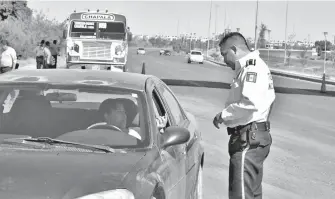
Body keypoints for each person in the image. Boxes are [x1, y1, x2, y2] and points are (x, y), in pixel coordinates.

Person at [212, 32, 276, 199]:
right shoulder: (253, 67)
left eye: (224, 54)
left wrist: (223, 115)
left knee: (240, 195)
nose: (224, 60)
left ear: (234, 49)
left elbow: (250, 103)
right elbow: (270, 101)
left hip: (247, 140)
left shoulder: (251, 68)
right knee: (251, 194)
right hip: (252, 136)